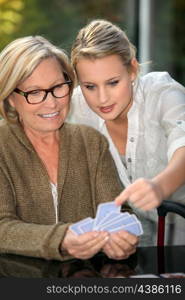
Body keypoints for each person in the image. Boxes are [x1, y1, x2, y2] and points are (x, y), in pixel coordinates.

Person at [0, 36, 139, 261]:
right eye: (34, 92)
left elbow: (118, 212)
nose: (52, 103)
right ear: (10, 98)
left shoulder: (91, 142)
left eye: (58, 87)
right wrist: (61, 239)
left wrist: (123, 237)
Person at [68, 19, 185, 246]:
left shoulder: (163, 92)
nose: (102, 99)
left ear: (133, 69)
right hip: (134, 242)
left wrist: (160, 186)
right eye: (89, 86)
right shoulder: (77, 105)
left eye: (112, 82)